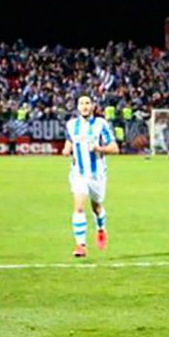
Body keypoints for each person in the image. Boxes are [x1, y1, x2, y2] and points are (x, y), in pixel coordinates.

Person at [61, 95, 118, 257]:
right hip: (78, 173)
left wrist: (99, 149)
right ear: (77, 107)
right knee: (79, 206)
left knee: (97, 207)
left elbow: (115, 148)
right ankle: (81, 246)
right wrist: (66, 150)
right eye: (81, 103)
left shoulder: (101, 124)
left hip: (97, 174)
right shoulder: (71, 125)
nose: (84, 106)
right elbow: (69, 143)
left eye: (87, 103)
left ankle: (101, 229)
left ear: (92, 106)